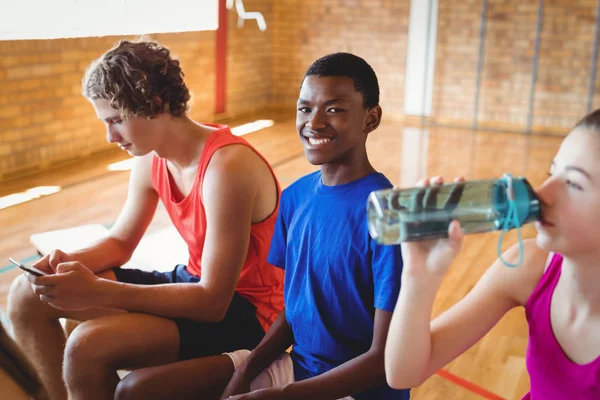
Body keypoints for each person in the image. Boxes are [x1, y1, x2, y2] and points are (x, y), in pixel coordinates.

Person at [115, 52, 409, 400]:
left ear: (371, 118)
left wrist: (282, 395)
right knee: (135, 389)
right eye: (304, 108)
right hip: (299, 367)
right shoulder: (295, 197)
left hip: (359, 389)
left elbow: (384, 360)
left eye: (335, 109)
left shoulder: (388, 214)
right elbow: (294, 309)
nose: (314, 123)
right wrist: (247, 369)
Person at [7, 39, 283, 400]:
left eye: (116, 120)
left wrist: (98, 290)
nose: (110, 136)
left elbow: (213, 301)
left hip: (246, 312)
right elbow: (121, 242)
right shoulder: (150, 158)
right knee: (25, 294)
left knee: (85, 347)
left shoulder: (227, 167)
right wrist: (63, 263)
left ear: (154, 105)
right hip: (193, 283)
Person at [384, 110, 600, 399]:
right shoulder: (528, 265)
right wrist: (419, 277)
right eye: (553, 172)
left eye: (573, 183)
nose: (543, 192)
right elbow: (403, 374)